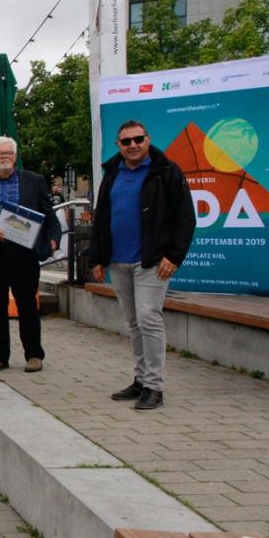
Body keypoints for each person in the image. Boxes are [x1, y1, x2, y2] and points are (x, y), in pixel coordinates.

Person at [91, 121, 194, 411]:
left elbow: (185, 218)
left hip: (152, 261)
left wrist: (173, 257)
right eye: (126, 141)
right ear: (118, 145)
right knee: (134, 323)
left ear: (148, 139)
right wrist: (97, 257)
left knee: (149, 318)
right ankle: (140, 380)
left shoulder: (167, 171)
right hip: (118, 261)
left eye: (138, 139)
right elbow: (102, 218)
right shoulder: (112, 174)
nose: (133, 145)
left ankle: (154, 386)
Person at [0, 136, 61, 374]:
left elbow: (49, 216)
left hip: (25, 254)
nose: (4, 157)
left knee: (27, 305)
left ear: (15, 156)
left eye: (8, 153)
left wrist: (54, 239)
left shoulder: (35, 181)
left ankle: (33, 355)